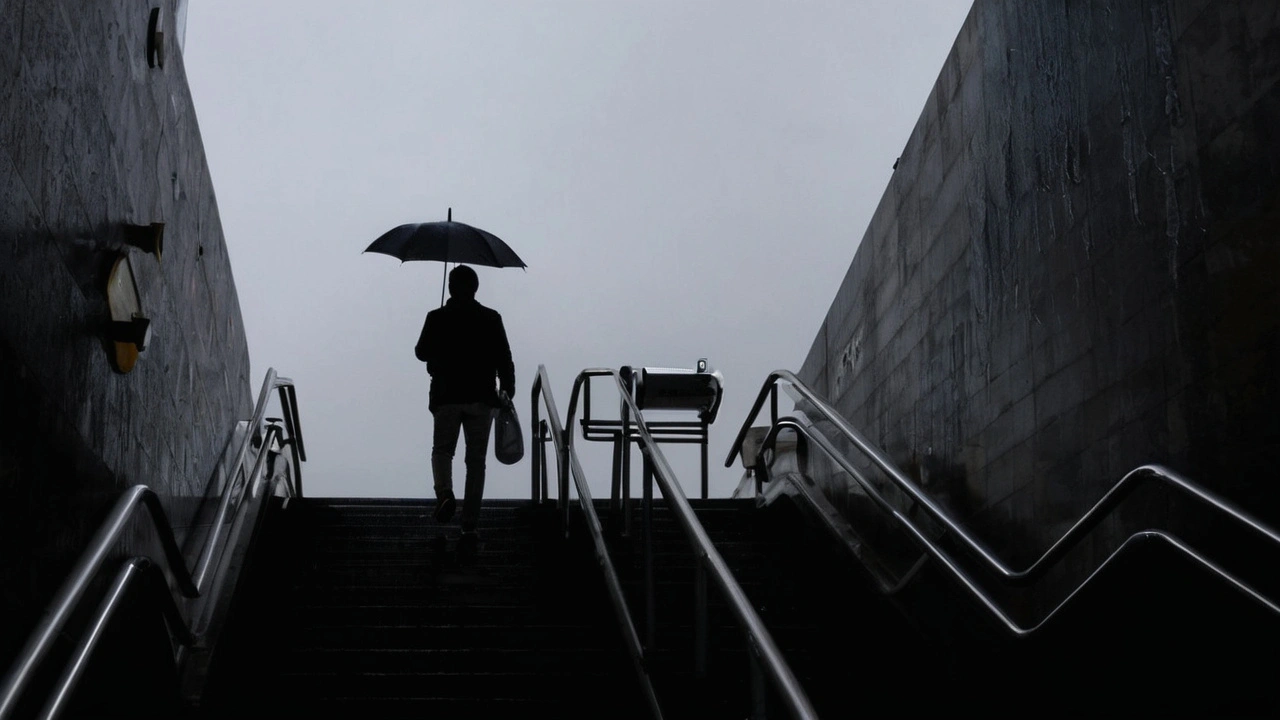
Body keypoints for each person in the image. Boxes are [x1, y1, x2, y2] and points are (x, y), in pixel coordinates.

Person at [414, 264, 515, 546]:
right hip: (481, 398)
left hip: (446, 396)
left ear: (450, 287)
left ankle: (444, 493)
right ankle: (469, 524)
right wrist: (508, 390)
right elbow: (504, 357)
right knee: (476, 463)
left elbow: (421, 352)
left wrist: (439, 331)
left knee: (443, 450)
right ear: (475, 288)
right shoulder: (491, 318)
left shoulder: (436, 317)